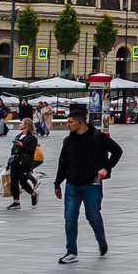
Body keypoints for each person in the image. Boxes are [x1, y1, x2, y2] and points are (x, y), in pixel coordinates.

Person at [54, 103, 123, 262]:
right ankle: (71, 252)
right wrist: (57, 183)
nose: (68, 125)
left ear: (81, 122)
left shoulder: (97, 137)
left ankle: (101, 240)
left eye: (70, 122)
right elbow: (63, 162)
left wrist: (106, 168)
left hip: (92, 184)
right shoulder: (68, 141)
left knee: (92, 216)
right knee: (70, 218)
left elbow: (117, 151)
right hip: (72, 185)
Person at [6, 121, 41, 208]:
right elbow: (13, 149)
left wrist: (21, 145)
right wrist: (10, 161)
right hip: (16, 161)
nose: (19, 125)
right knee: (14, 181)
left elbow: (32, 150)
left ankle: (33, 193)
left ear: (26, 125)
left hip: (25, 162)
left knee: (23, 181)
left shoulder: (32, 138)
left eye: (21, 123)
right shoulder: (18, 136)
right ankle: (16, 201)